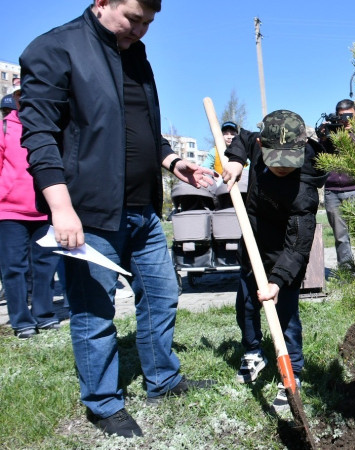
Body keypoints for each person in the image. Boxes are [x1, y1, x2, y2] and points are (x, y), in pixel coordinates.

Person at [20, 0, 216, 438]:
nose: (141, 29)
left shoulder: (136, 54)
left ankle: (162, 380)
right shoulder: (55, 49)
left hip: (142, 210)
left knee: (163, 294)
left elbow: (141, 126)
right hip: (89, 213)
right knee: (94, 312)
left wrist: (171, 162)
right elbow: (39, 136)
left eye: (149, 22)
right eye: (133, 18)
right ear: (102, 2)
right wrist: (62, 207)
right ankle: (104, 403)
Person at [222, 109, 326, 412]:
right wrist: (235, 159)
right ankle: (253, 352)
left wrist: (278, 280)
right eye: (274, 158)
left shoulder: (304, 187)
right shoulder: (257, 143)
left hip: (285, 257)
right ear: (262, 145)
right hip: (252, 245)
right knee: (246, 306)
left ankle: (291, 372)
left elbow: (298, 246)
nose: (281, 167)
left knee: (286, 318)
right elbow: (241, 137)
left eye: (288, 160)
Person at [0, 79, 61, 339]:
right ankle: (21, 321)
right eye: (19, 96)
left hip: (45, 210)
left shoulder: (51, 128)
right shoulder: (4, 128)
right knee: (14, 268)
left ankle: (44, 315)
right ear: (15, 100)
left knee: (45, 266)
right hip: (9, 212)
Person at [317, 99, 355, 273]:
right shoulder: (331, 131)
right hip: (332, 191)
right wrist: (323, 136)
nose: (347, 120)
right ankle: (347, 273)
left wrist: (352, 135)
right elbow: (320, 156)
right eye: (342, 116)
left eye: (350, 115)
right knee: (341, 237)